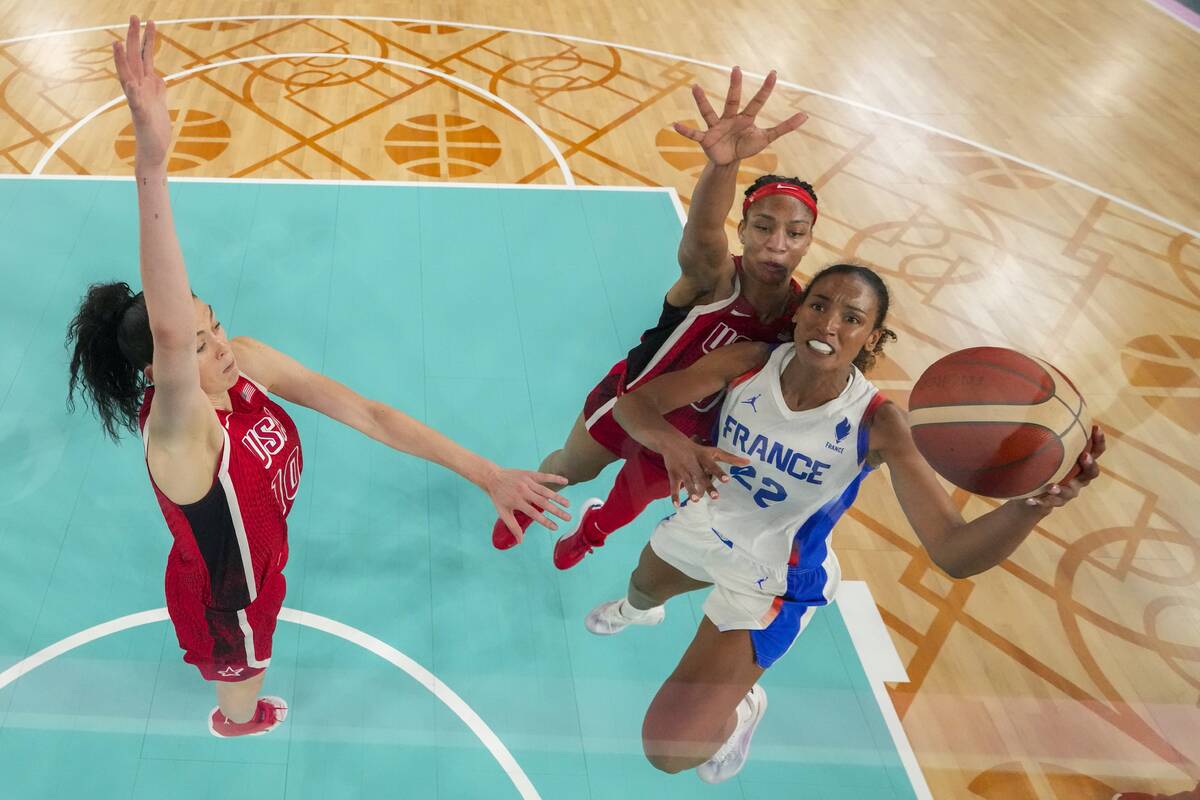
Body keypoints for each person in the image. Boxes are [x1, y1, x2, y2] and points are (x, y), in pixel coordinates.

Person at [65, 16, 570, 738]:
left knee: (258, 638)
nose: (220, 347)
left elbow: (368, 413)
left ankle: (241, 697)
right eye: (198, 345)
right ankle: (236, 720)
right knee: (244, 677)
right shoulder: (181, 432)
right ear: (163, 369)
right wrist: (152, 162)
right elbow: (172, 331)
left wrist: (484, 472)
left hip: (264, 558)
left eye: (215, 326)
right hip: (228, 595)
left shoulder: (248, 363)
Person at [580, 262, 1105, 782]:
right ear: (800, 312)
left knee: (669, 750)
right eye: (819, 305)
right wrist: (677, 446)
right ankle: (637, 610)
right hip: (706, 520)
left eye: (851, 318)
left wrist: (1031, 507)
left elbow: (954, 552)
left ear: (872, 337)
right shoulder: (748, 362)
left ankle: (742, 710)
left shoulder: (879, 423)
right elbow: (636, 406)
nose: (829, 324)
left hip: (772, 575)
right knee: (643, 587)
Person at [489, 66, 814, 571]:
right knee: (567, 470)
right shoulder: (713, 278)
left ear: (808, 240)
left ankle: (591, 532)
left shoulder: (804, 317)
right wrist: (722, 167)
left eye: (794, 233)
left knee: (627, 507)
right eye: (763, 227)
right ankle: (529, 503)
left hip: (695, 438)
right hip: (627, 397)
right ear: (744, 229)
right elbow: (704, 233)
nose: (777, 243)